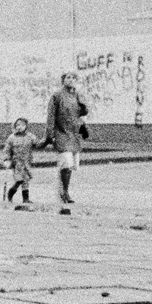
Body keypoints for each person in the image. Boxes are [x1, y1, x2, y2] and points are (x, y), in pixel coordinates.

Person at [45, 72, 88, 211]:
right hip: (61, 132)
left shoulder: (77, 95)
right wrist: (50, 134)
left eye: (74, 78)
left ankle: (62, 188)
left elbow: (82, 113)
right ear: (63, 80)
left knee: (71, 165)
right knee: (67, 163)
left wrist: (83, 105)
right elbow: (51, 116)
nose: (71, 80)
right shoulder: (57, 96)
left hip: (74, 134)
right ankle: (64, 192)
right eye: (68, 77)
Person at [2, 117, 36, 208]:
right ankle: (10, 193)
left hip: (27, 162)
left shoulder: (30, 136)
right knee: (19, 180)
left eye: (22, 125)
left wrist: (47, 140)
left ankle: (26, 198)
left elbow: (37, 144)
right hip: (17, 163)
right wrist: (6, 159)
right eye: (17, 125)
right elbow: (7, 150)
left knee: (26, 180)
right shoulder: (12, 137)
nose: (19, 127)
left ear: (26, 126)